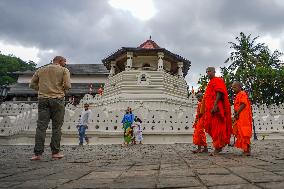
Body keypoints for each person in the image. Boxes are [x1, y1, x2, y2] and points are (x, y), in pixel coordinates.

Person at [29, 56, 71, 160]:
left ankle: (37, 153)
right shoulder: (64, 70)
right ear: (60, 61)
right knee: (56, 127)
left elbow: (31, 84)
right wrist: (60, 90)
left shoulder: (41, 69)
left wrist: (42, 89)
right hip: (58, 99)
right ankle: (55, 152)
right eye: (64, 61)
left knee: (41, 127)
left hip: (43, 99)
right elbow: (68, 85)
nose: (65, 63)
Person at [203, 67, 232, 155]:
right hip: (210, 109)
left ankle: (218, 147)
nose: (208, 73)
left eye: (209, 71)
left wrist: (215, 105)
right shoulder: (209, 83)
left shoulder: (218, 80)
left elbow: (219, 92)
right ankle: (218, 146)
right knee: (212, 127)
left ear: (214, 72)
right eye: (207, 71)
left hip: (216, 108)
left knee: (218, 128)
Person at [232, 81, 252, 156]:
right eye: (232, 87)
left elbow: (243, 104)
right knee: (240, 132)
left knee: (244, 132)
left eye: (235, 87)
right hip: (239, 116)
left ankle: (247, 149)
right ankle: (245, 149)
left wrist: (237, 113)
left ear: (240, 87)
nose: (233, 89)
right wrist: (236, 114)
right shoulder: (237, 95)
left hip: (243, 116)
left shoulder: (242, 93)